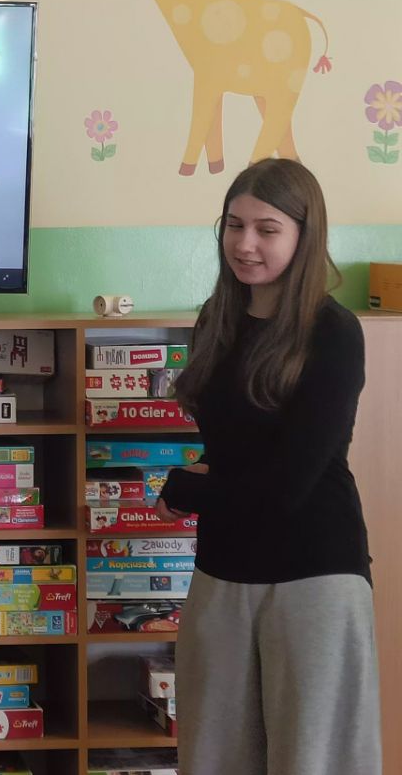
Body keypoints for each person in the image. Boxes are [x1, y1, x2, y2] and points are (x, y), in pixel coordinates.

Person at [157, 158, 381, 775]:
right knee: (211, 758)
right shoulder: (216, 320)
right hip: (222, 572)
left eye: (267, 228)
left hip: (314, 575)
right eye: (234, 225)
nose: (245, 243)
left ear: (305, 235)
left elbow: (289, 482)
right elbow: (236, 447)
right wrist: (202, 475)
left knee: (312, 761)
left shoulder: (334, 332)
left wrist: (187, 490)